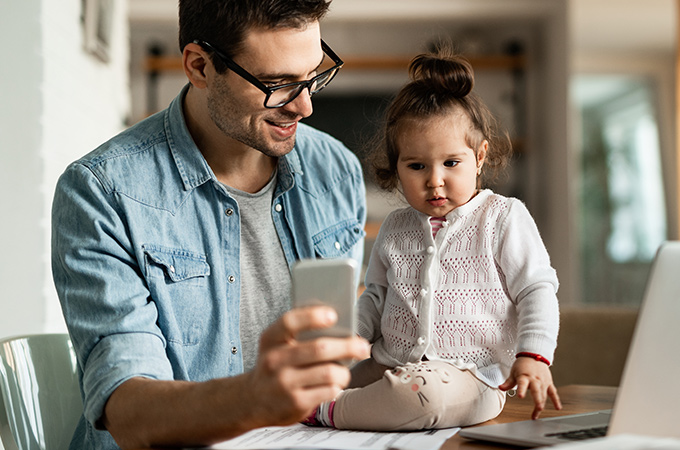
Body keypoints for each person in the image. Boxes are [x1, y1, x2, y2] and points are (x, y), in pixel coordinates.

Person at [50, 1, 370, 449]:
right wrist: (253, 399)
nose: (305, 105)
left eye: (314, 74)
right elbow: (128, 411)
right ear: (200, 66)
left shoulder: (336, 170)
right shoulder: (101, 193)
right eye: (277, 85)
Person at [302, 49, 562, 431]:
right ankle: (333, 401)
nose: (434, 180)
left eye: (451, 163)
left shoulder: (502, 217)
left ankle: (328, 411)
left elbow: (536, 289)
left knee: (422, 395)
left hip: (472, 376)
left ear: (480, 156)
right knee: (310, 382)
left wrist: (533, 356)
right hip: (387, 363)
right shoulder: (395, 226)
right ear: (396, 167)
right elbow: (375, 298)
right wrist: (343, 346)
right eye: (417, 166)